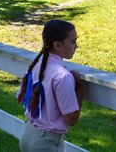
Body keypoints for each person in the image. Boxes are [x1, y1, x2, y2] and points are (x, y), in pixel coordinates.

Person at [18, 19, 83, 152]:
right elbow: (71, 119)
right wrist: (79, 88)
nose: (76, 46)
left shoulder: (37, 64)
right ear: (58, 45)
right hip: (46, 144)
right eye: (73, 41)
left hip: (28, 135)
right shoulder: (62, 76)